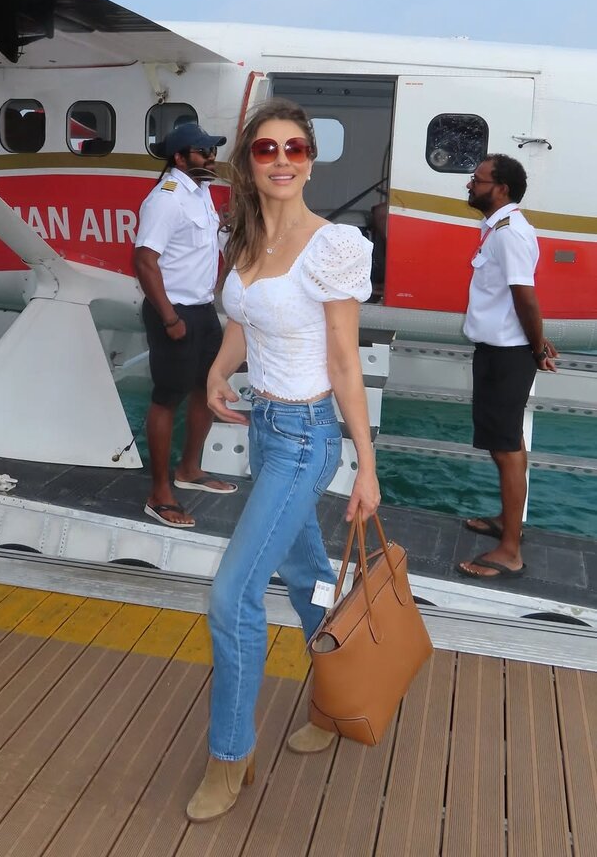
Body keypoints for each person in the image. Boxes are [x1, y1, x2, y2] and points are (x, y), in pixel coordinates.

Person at [185, 99, 381, 823]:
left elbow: (344, 360)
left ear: (310, 160)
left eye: (295, 148)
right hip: (266, 429)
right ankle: (338, 702)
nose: (282, 160)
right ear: (249, 162)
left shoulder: (332, 246)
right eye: (266, 149)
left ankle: (229, 756)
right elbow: (244, 317)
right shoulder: (246, 235)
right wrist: (217, 370)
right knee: (306, 578)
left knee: (231, 594)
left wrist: (366, 466)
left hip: (306, 438)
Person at [134, 121, 238, 529]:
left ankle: (189, 469)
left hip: (201, 310)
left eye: (212, 151)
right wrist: (169, 318)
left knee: (205, 389)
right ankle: (159, 493)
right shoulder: (166, 199)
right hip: (174, 313)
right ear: (179, 158)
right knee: (167, 399)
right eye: (203, 152)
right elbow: (145, 261)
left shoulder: (201, 192)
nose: (211, 158)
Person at [458, 154, 557, 581]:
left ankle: (510, 551)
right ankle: (507, 522)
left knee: (506, 450)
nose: (470, 185)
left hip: (507, 355)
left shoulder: (509, 233)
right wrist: (534, 341)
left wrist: (536, 347)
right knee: (508, 440)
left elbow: (524, 296)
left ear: (500, 188)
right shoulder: (499, 228)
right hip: (502, 350)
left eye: (477, 180)